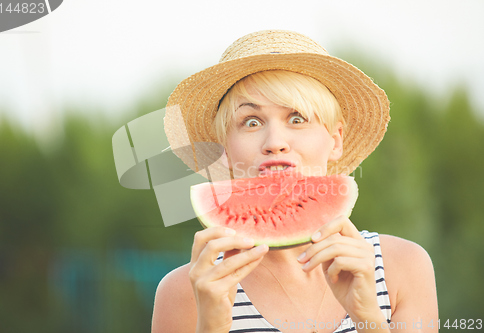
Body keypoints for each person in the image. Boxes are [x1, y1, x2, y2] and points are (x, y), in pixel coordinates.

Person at [151, 30, 438, 333]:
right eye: (251, 122)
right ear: (223, 151)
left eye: (297, 118)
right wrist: (211, 325)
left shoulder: (403, 268)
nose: (275, 142)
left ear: (335, 140)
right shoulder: (186, 291)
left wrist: (368, 315)